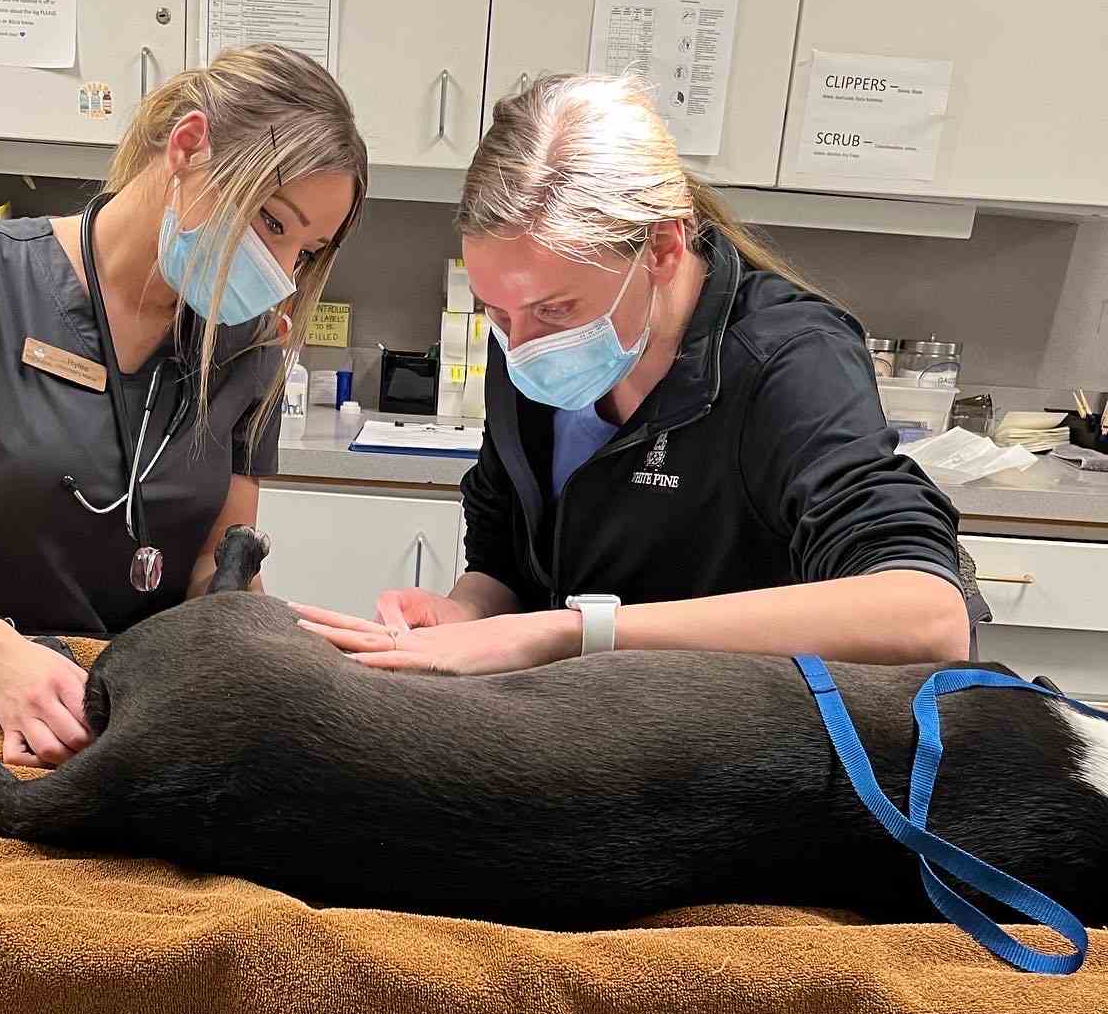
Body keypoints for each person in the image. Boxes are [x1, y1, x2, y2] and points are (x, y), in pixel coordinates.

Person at [295, 73, 972, 675]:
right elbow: (503, 554)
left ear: (664, 247)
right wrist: (467, 613)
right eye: (496, 314)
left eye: (556, 310)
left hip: (747, 749)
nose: (523, 345)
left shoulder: (788, 360)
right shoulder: (527, 341)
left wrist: (572, 634)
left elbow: (928, 616)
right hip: (595, 732)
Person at [0, 43, 366, 764]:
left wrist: (246, 656)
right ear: (188, 146)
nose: (281, 273)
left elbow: (215, 569)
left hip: (135, 710)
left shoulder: (249, 345)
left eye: (306, 251)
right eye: (274, 225)